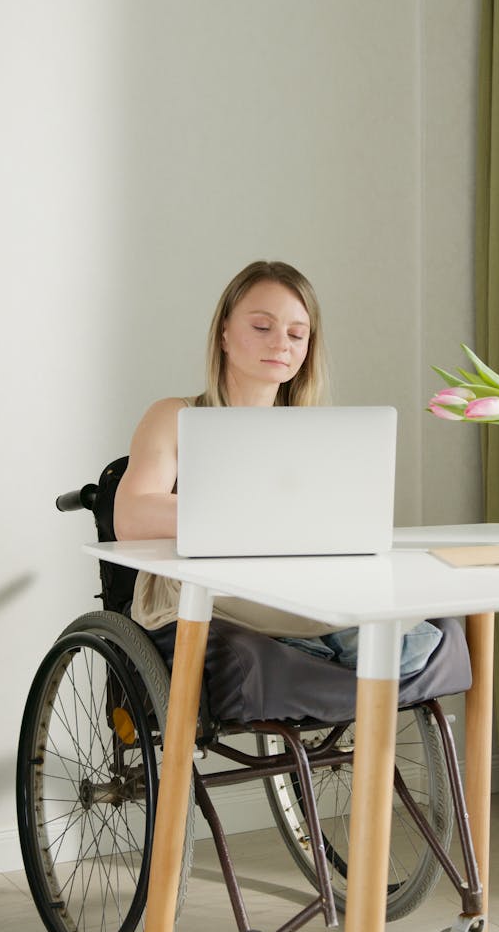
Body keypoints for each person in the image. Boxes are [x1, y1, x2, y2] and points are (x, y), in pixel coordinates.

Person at [114, 259, 441, 676]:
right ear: (224, 334)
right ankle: (324, 647)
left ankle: (321, 646)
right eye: (262, 327)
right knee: (396, 639)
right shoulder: (173, 415)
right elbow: (131, 516)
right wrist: (254, 518)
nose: (281, 344)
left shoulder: (313, 434)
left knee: (423, 631)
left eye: (297, 334)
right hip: (201, 592)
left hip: (289, 587)